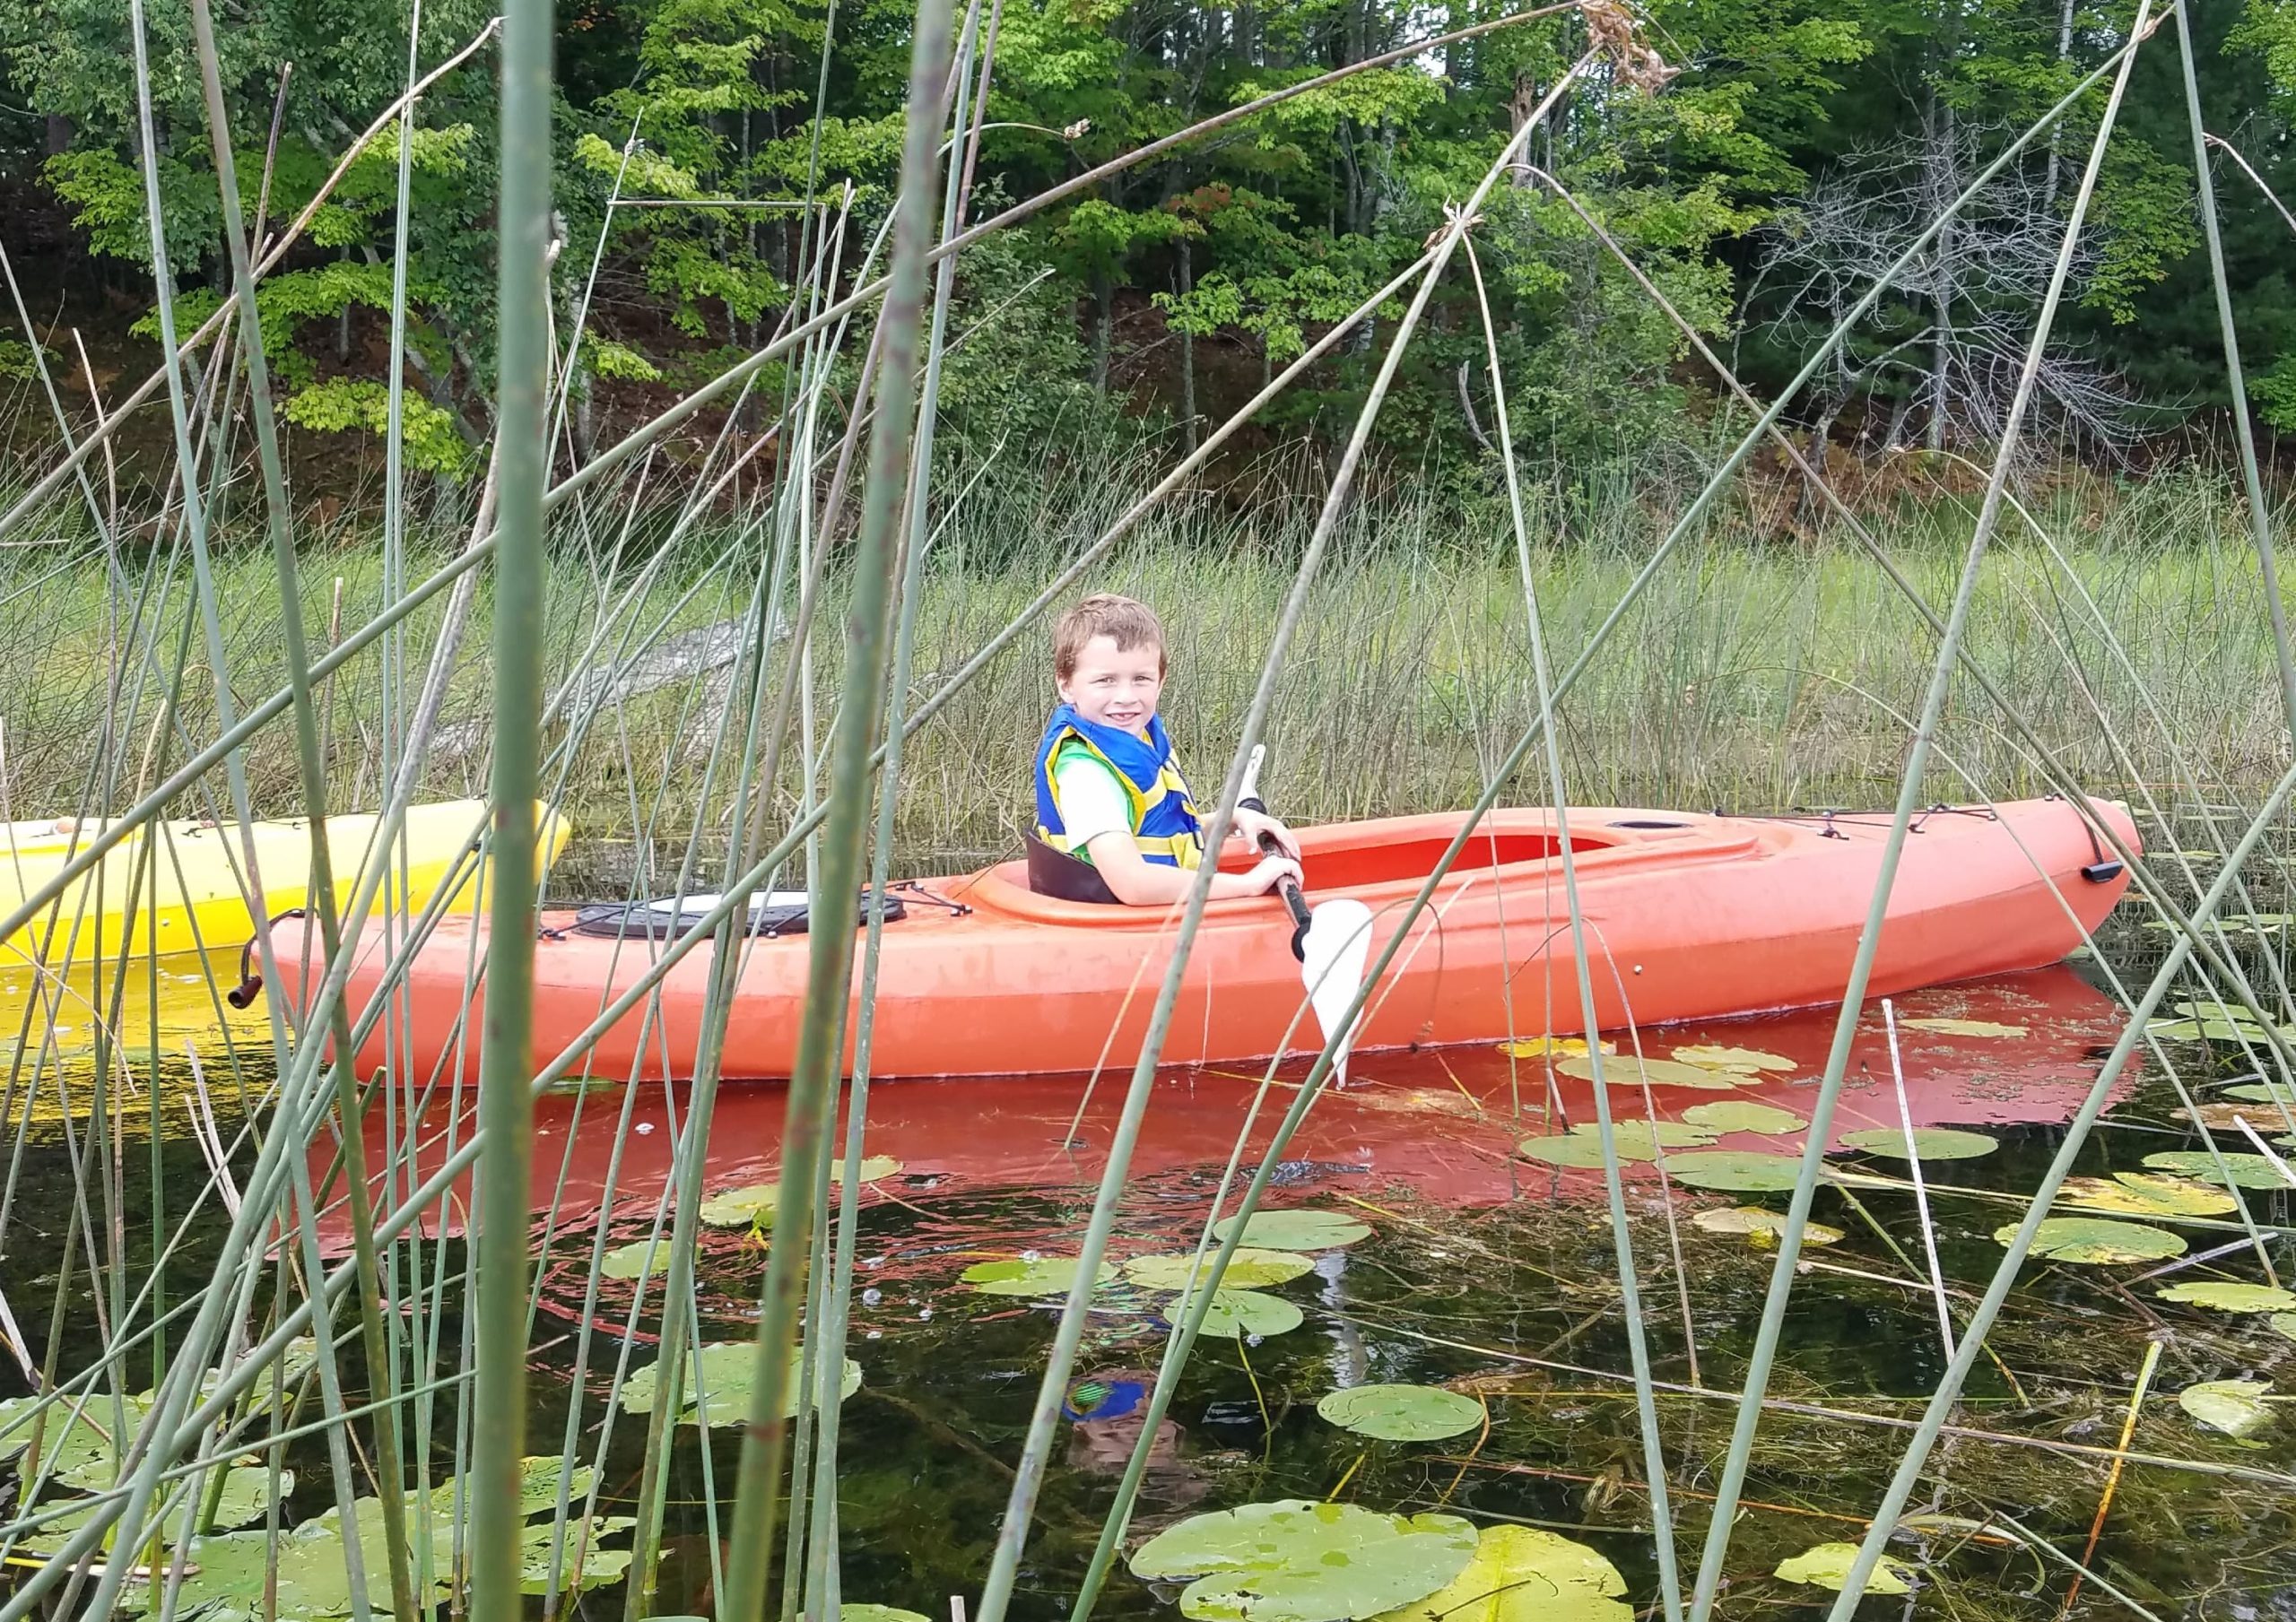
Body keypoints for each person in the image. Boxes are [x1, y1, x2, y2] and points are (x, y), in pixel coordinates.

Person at [1032, 594, 1303, 905]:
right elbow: (1133, 884)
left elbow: (1159, 838)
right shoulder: (1086, 774)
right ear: (1066, 684)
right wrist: (1248, 884)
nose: (1126, 696)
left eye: (1141, 679)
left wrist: (1230, 820)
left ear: (1161, 681)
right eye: (1106, 680)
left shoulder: (1141, 738)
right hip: (1121, 935)